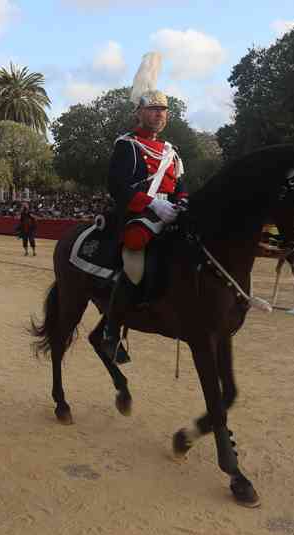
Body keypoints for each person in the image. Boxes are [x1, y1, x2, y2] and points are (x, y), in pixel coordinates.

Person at [100, 52, 187, 360]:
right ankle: (112, 329)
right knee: (135, 248)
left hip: (172, 211)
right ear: (139, 113)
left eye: (163, 110)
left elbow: (180, 185)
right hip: (139, 213)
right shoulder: (127, 145)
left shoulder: (171, 151)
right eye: (152, 109)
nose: (159, 114)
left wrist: (182, 204)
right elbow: (118, 186)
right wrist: (152, 205)